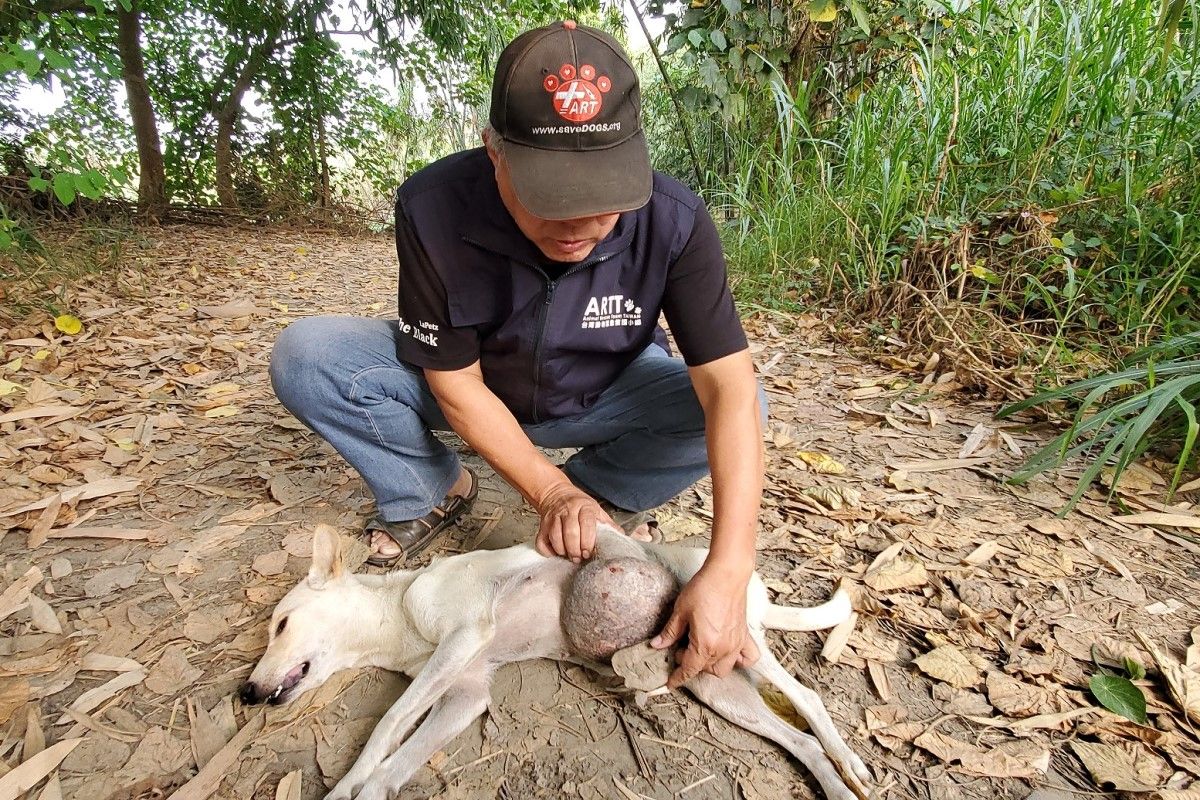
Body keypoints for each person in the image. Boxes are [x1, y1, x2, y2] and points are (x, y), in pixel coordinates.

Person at [269, 20, 766, 688]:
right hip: (478, 388)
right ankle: (433, 489)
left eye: (607, 200)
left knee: (744, 404)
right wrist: (547, 490)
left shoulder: (676, 219)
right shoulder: (433, 206)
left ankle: (602, 496)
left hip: (606, 389)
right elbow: (455, 383)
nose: (582, 226)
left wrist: (729, 568)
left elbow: (729, 388)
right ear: (495, 151)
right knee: (308, 357)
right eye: (554, 198)